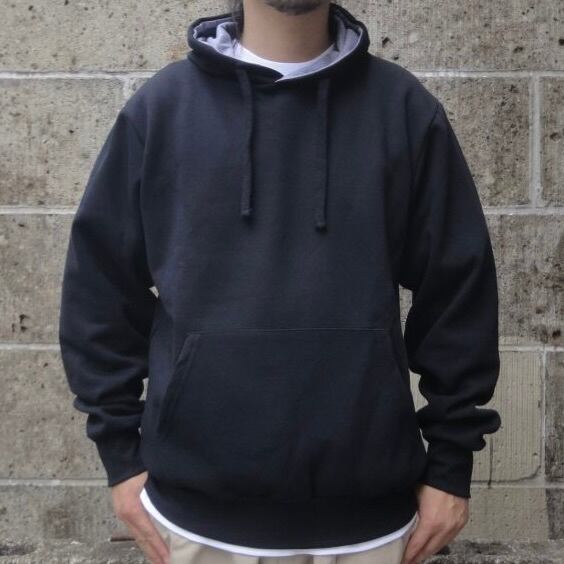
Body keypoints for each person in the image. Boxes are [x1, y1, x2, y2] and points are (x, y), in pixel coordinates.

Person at [58, 1, 503, 563]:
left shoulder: (403, 109)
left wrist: (451, 463)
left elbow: (458, 291)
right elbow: (99, 290)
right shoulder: (163, 110)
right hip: (198, 525)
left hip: (373, 526)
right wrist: (121, 457)